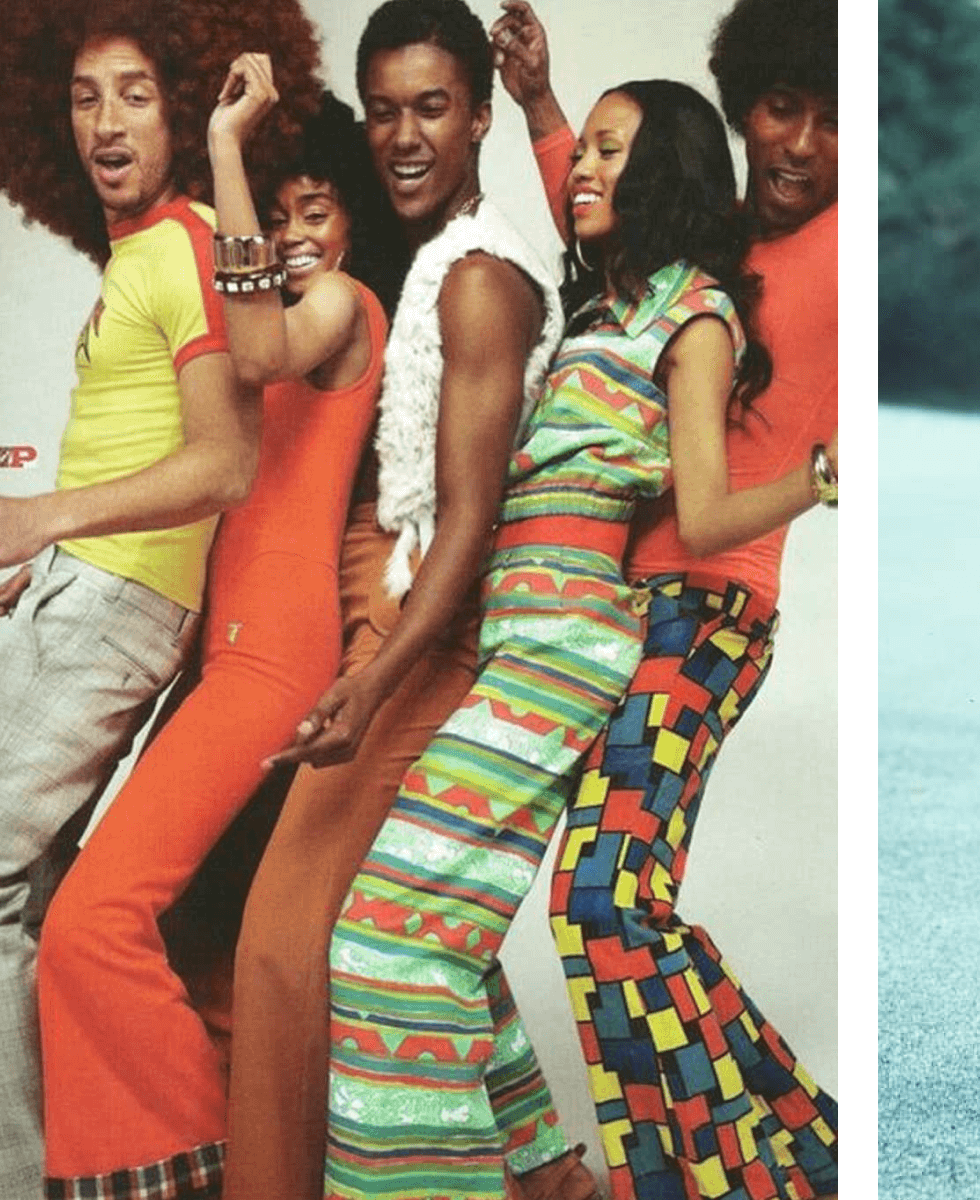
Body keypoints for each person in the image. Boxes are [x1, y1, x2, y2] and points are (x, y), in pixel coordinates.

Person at [322, 72, 817, 1200]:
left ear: (658, 173)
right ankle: (549, 1177)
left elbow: (701, 513)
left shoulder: (692, 315)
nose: (579, 171)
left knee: (381, 938)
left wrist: (816, 480)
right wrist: (535, 93)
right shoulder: (605, 308)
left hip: (564, 654)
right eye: (581, 151)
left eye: (606, 153)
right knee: (422, 927)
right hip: (513, 641)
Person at [207, 4, 592, 1199]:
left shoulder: (479, 278)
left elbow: (468, 528)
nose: (404, 136)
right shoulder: (436, 259)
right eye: (384, 111)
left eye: (432, 108)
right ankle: (546, 1183)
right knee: (402, 944)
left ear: (474, 115)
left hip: (427, 641)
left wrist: (370, 683)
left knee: (283, 943)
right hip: (390, 629)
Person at [0, 2, 319, 1196]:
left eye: (134, 94)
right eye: (81, 97)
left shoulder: (182, 245)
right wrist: (50, 554)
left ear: (182, 105)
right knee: (16, 897)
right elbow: (152, 439)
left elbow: (225, 464)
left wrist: (42, 519)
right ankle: (83, 1164)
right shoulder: (145, 250)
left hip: (116, 605)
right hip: (92, 589)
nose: (106, 122)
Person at [31, 61, 399, 1196]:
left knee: (90, 921)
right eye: (277, 213)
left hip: (273, 658)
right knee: (163, 934)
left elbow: (258, 354)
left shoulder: (343, 308)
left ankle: (190, 1176)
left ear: (352, 222)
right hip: (215, 653)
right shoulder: (266, 317)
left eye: (314, 211)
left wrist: (229, 152)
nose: (291, 235)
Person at [493, 0, 840, 1193]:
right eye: (783, 108)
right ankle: (795, 1141)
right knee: (610, 910)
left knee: (602, 906)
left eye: (834, 123)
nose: (801, 143)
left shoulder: (850, 249)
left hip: (716, 613)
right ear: (744, 104)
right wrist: (544, 106)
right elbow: (604, 205)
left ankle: (740, 1167)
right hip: (620, 612)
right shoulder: (711, 242)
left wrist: (830, 476)